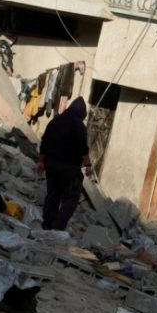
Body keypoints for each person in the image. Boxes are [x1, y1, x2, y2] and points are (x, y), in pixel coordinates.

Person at [37, 97, 92, 231]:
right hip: (70, 167)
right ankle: (58, 227)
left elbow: (44, 142)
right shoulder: (79, 125)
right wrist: (88, 165)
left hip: (51, 164)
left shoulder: (55, 121)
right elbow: (82, 147)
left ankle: (47, 225)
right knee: (71, 197)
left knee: (53, 194)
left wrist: (41, 161)